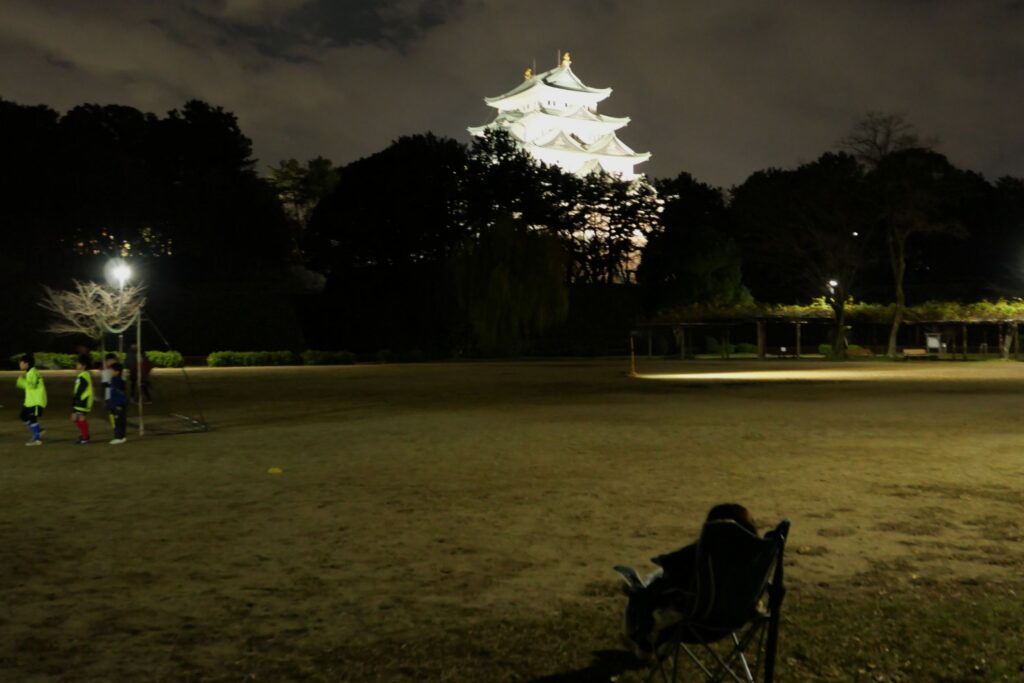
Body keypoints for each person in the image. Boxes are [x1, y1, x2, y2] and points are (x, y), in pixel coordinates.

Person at [616, 503, 759, 658]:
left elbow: (670, 565)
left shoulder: (702, 557)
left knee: (649, 588)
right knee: (658, 587)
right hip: (736, 619)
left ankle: (641, 641)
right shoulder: (755, 562)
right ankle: (643, 638)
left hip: (697, 623)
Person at [16, 353, 48, 446]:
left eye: (21, 362)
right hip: (30, 401)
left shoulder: (32, 372)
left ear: (26, 363)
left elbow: (32, 385)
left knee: (32, 418)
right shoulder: (30, 372)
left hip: (36, 401)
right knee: (23, 416)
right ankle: (38, 431)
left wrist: (21, 382)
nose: (20, 364)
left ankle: (36, 439)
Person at [70, 354, 94, 444]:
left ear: (84, 366)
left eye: (78, 363)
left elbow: (81, 388)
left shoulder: (84, 375)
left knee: (79, 418)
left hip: (83, 400)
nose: (76, 365)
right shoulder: (83, 375)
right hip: (81, 400)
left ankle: (85, 437)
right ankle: (84, 435)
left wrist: (76, 398)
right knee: (76, 418)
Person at [108, 362, 129, 445]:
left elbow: (120, 394)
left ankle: (118, 437)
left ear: (117, 372)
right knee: (121, 421)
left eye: (112, 370)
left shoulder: (116, 380)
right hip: (119, 404)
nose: (110, 372)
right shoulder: (118, 380)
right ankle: (122, 437)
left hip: (118, 405)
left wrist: (118, 405)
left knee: (118, 422)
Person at [100, 352, 117, 428]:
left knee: (116, 411)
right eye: (110, 361)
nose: (112, 362)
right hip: (109, 396)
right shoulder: (105, 372)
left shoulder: (118, 371)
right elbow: (103, 385)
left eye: (113, 360)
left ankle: (116, 424)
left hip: (116, 394)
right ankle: (114, 425)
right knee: (111, 411)